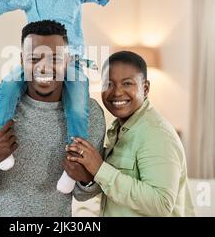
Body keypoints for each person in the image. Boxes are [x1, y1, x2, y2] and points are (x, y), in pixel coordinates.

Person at [0, 0, 119, 193]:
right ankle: (2, 144)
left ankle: (72, 162)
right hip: (34, 63)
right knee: (9, 86)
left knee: (78, 105)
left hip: (69, 62)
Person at [0, 20, 106, 217]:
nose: (44, 67)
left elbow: (88, 193)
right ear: (22, 60)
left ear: (67, 61)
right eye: (34, 58)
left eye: (55, 59)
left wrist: (86, 180)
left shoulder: (90, 114)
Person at [66, 51, 195, 216]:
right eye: (109, 84)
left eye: (127, 83)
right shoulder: (119, 129)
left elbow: (161, 204)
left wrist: (100, 169)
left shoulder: (156, 134)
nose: (117, 92)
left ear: (145, 88)